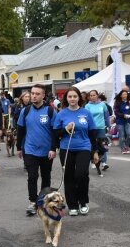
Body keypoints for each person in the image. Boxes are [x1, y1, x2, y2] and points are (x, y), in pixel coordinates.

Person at [52, 86, 100, 216]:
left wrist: (95, 151)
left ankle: (83, 202)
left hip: (84, 147)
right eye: (69, 96)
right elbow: (56, 133)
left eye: (75, 96)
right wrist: (66, 128)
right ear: (66, 99)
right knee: (68, 176)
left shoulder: (86, 113)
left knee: (81, 174)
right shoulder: (61, 114)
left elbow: (92, 133)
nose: (72, 99)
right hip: (66, 148)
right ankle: (72, 205)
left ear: (79, 97)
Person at [16, 84, 55, 215]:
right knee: (32, 176)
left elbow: (55, 132)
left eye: (37, 94)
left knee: (46, 176)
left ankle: (44, 201)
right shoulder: (25, 111)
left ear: (43, 95)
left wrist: (53, 148)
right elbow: (20, 130)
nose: (34, 96)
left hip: (46, 151)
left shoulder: (50, 111)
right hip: (30, 150)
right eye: (32, 93)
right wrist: (18, 148)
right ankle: (33, 202)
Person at [85, 90, 111, 172]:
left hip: (101, 127)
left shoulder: (102, 104)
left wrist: (108, 125)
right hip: (91, 128)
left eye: (94, 95)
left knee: (103, 145)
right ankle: (92, 160)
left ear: (97, 96)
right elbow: (86, 118)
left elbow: (106, 116)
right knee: (93, 145)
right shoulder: (87, 106)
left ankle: (104, 163)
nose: (92, 97)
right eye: (91, 95)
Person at [113, 90, 130, 154]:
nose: (125, 95)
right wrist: (124, 115)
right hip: (120, 121)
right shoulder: (117, 102)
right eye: (123, 94)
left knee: (129, 134)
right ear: (121, 95)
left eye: (126, 94)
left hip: (128, 121)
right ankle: (122, 149)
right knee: (122, 136)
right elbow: (116, 112)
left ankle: (126, 146)